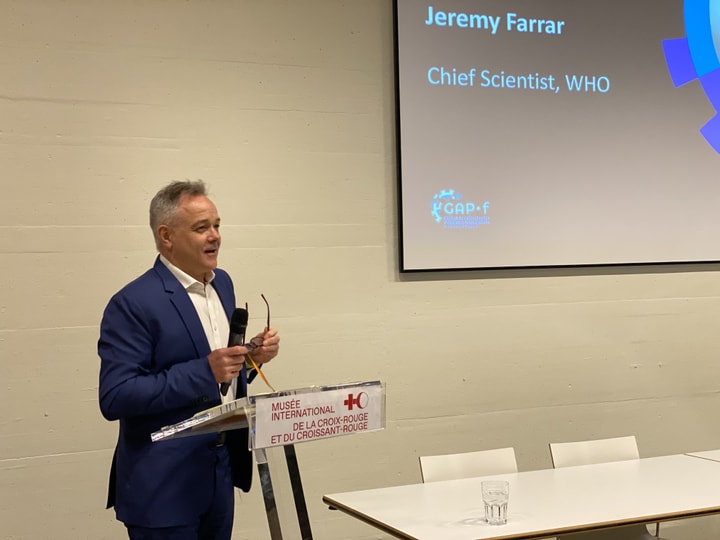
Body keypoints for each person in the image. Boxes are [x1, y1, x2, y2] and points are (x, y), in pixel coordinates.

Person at [98, 180, 279, 540]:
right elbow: (116, 396)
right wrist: (204, 371)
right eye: (201, 228)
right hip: (162, 487)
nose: (215, 236)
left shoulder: (222, 284)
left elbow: (219, 380)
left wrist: (250, 360)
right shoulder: (133, 303)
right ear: (166, 236)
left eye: (217, 225)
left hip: (219, 476)